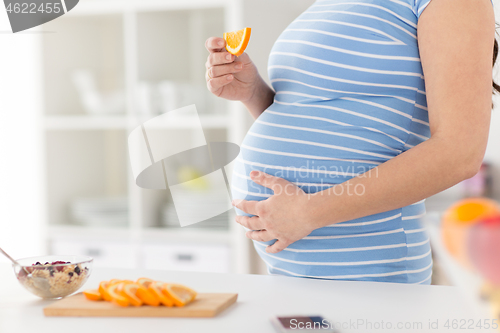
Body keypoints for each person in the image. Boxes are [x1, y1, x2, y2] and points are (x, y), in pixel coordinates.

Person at [204, 0, 498, 284]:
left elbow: (460, 152)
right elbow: (318, 119)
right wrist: (252, 92)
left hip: (369, 270)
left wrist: (307, 214)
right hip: (290, 267)